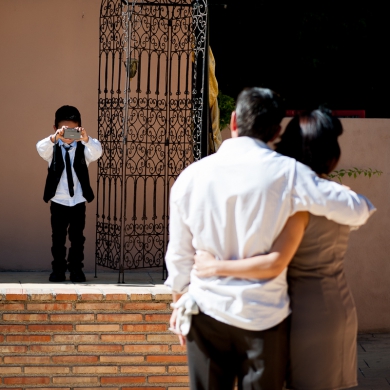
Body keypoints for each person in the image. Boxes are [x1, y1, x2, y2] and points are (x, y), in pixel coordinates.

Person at [164, 87, 375, 389]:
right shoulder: (288, 173)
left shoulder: (191, 176)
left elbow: (179, 255)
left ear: (234, 120)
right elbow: (358, 210)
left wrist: (179, 305)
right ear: (276, 131)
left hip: (205, 311)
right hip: (262, 316)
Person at [36, 105, 102, 283]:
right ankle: (58, 270)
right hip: (58, 200)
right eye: (64, 130)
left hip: (78, 201)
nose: (68, 135)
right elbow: (40, 148)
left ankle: (76, 270)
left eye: (73, 131)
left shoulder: (84, 148)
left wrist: (87, 139)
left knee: (77, 237)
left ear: (79, 129)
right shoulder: (52, 148)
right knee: (58, 237)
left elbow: (97, 152)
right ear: (55, 129)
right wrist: (53, 138)